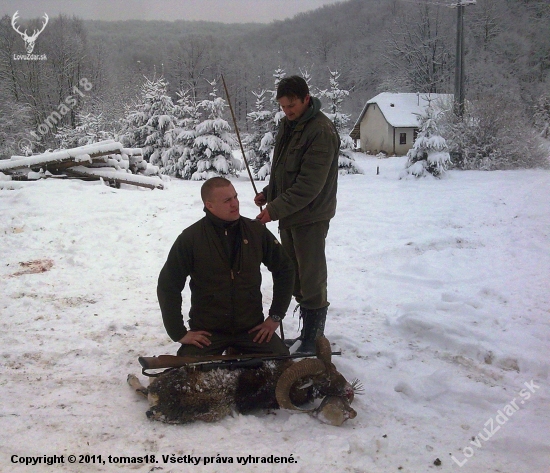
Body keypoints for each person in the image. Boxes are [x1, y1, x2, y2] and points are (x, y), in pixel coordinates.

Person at [157, 177, 294, 356]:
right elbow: (168, 285)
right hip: (208, 333)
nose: (235, 203)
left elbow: (285, 269)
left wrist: (275, 316)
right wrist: (178, 333)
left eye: (235, 197)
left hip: (251, 330)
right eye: (227, 200)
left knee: (281, 364)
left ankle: (237, 350)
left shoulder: (255, 231)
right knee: (190, 375)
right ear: (210, 205)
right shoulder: (191, 238)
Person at [254, 75, 340, 354]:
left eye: (291, 105)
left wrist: (274, 209)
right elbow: (286, 170)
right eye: (282, 107)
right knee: (296, 277)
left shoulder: (321, 131)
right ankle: (306, 336)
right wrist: (269, 192)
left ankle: (315, 340)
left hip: (311, 216)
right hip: (290, 214)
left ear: (306, 99)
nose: (287, 111)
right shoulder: (290, 126)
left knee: (311, 278)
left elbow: (309, 185)